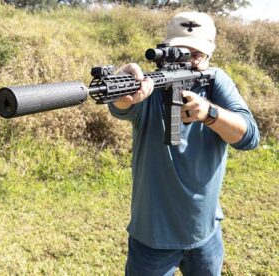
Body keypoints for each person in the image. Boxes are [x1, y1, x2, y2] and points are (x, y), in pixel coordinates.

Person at [111, 12, 260, 275]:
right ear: (165, 49)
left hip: (204, 231)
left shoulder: (216, 82)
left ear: (210, 53)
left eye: (196, 55)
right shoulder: (149, 88)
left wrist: (209, 114)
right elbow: (121, 106)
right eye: (180, 52)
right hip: (152, 235)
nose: (187, 61)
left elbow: (249, 137)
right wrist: (122, 90)